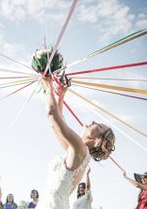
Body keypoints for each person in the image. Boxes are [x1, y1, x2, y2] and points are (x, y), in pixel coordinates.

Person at [37, 77, 115, 209]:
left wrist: (48, 86)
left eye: (100, 126)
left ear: (98, 140)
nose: (95, 122)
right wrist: (61, 96)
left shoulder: (80, 149)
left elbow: (52, 114)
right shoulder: (77, 151)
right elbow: (57, 122)